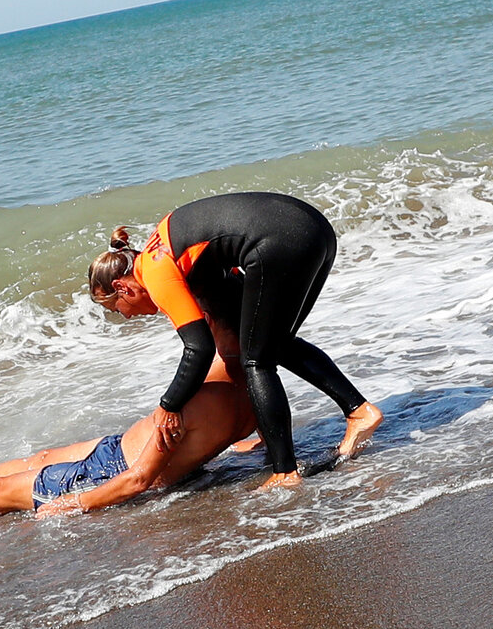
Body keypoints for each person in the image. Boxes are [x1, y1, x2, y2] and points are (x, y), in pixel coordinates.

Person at [89, 192, 383, 492]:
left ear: (122, 287)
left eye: (116, 309)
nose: (125, 317)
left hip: (278, 240)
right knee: (271, 343)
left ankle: (286, 471)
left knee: (257, 359)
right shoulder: (170, 249)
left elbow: (199, 348)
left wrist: (169, 405)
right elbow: (233, 315)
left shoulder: (154, 270)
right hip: (312, 229)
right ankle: (356, 413)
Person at [0, 373, 252, 519]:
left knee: (4, 493)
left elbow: (138, 481)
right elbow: (240, 429)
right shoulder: (253, 386)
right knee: (41, 459)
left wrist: (79, 503)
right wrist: (243, 448)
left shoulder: (202, 385)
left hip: (112, 472)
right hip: (117, 449)